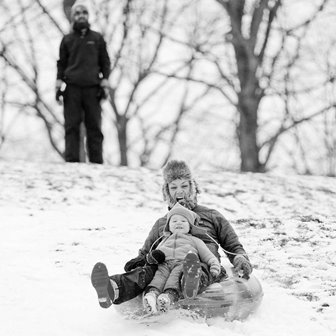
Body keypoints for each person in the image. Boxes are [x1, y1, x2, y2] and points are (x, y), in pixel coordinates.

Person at [91, 160, 253, 309]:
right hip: (165, 267)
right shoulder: (162, 223)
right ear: (167, 191)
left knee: (196, 269)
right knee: (146, 272)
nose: (179, 191)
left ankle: (190, 280)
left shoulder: (211, 216)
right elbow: (146, 252)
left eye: (184, 186)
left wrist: (240, 259)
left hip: (201, 264)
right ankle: (112, 288)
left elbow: (233, 246)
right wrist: (139, 262)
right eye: (173, 187)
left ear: (192, 187)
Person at [56, 0, 111, 164]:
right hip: (72, 88)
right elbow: (61, 64)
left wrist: (105, 83)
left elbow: (105, 62)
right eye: (77, 13)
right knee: (71, 127)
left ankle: (97, 164)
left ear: (88, 16)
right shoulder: (67, 40)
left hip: (92, 89)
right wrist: (58, 86)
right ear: (73, 17)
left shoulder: (97, 38)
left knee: (94, 128)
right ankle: (71, 164)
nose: (81, 16)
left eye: (84, 13)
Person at [142, 202, 221, 314]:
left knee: (174, 281)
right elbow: (155, 253)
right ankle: (151, 296)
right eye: (174, 221)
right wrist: (150, 259)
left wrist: (214, 266)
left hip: (183, 264)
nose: (178, 223)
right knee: (158, 279)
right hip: (164, 264)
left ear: (190, 226)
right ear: (168, 226)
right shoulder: (164, 240)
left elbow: (208, 256)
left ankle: (167, 298)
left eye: (183, 221)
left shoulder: (195, 240)